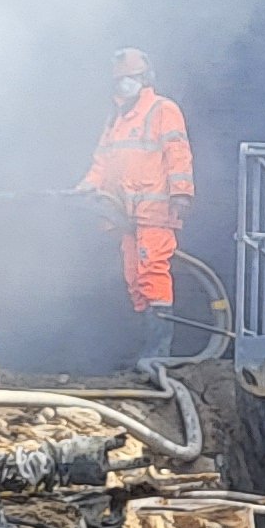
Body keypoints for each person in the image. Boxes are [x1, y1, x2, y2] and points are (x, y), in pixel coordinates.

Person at [76, 48, 195, 367]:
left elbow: (177, 152)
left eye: (129, 78)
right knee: (135, 278)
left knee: (152, 271)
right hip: (125, 214)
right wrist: (88, 187)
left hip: (155, 209)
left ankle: (158, 353)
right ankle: (145, 349)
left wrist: (181, 192)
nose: (123, 85)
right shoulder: (116, 119)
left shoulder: (162, 109)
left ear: (144, 79)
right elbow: (102, 160)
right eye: (120, 80)